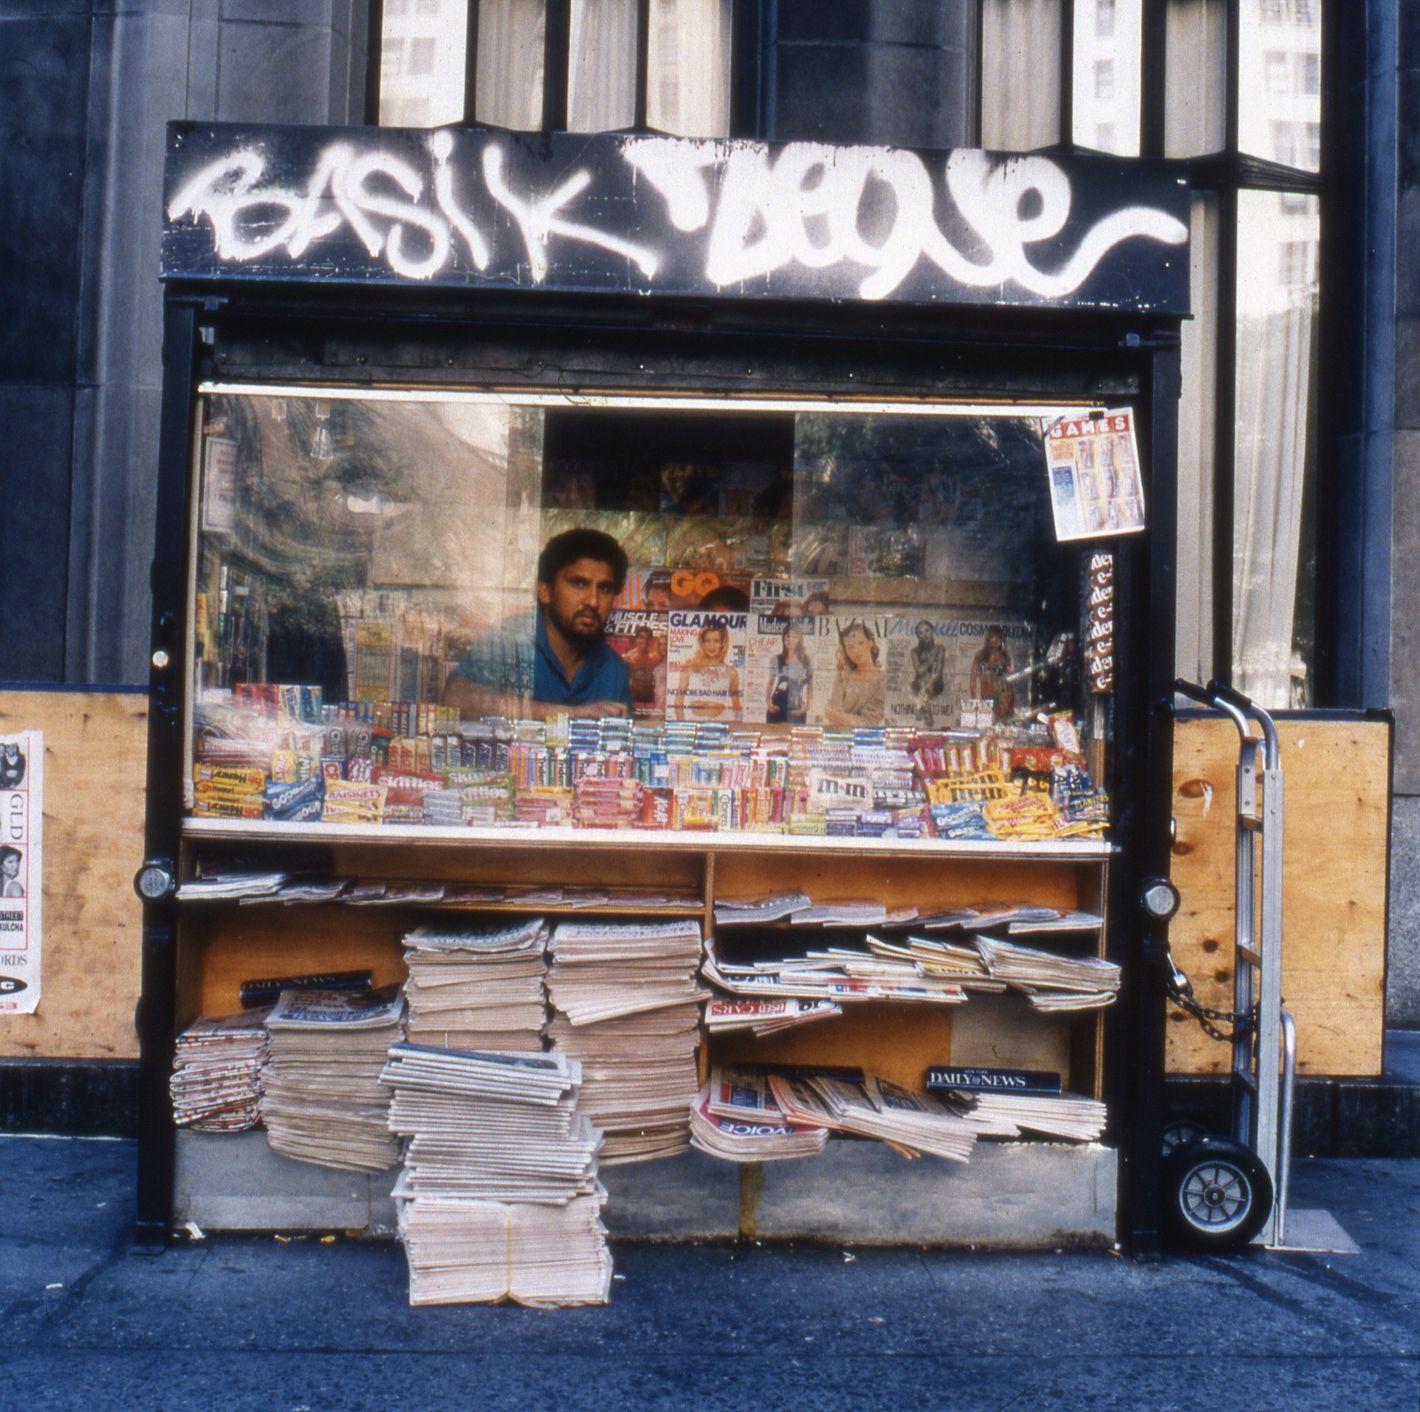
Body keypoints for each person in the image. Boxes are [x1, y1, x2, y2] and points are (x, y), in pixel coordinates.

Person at [442, 528, 634, 720]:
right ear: (545, 591)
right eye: (579, 584)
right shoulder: (509, 640)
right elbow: (455, 698)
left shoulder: (613, 668)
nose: (593, 601)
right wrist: (572, 714)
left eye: (605, 588)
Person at [673, 619, 742, 719]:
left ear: (723, 642)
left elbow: (736, 707)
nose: (711, 646)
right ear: (702, 642)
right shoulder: (689, 667)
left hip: (721, 722)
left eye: (716, 641)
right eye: (707, 641)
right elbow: (678, 702)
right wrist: (682, 726)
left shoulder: (731, 672)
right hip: (693, 722)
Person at [824, 620, 885, 728]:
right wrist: (837, 716)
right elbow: (833, 718)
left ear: (870, 642)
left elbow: (869, 723)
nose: (856, 650)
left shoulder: (883, 680)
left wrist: (833, 714)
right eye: (850, 647)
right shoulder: (843, 676)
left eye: (860, 643)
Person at [766, 619, 813, 725]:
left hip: (796, 708)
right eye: (787, 636)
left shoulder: (806, 660)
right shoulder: (776, 659)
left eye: (794, 637)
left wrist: (807, 706)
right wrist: (768, 703)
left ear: (800, 639)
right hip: (777, 707)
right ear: (783, 638)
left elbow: (810, 685)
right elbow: (770, 683)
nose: (790, 640)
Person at [970, 625, 1016, 722]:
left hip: (1003, 698)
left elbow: (1011, 681)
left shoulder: (1006, 657)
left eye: (998, 637)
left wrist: (1011, 705)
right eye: (992, 637)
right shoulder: (979, 656)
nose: (995, 640)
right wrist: (975, 700)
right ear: (988, 639)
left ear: (1002, 639)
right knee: (984, 725)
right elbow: (973, 680)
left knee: (1000, 726)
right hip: (985, 696)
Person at [909, 619, 946, 726]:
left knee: (924, 683)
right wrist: (930, 661)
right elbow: (919, 671)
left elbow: (938, 672)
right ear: (917, 636)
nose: (925, 635)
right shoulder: (914, 651)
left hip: (935, 684)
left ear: (932, 630)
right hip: (919, 684)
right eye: (921, 633)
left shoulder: (940, 648)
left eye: (927, 630)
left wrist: (928, 682)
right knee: (921, 683)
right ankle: (927, 713)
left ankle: (923, 710)